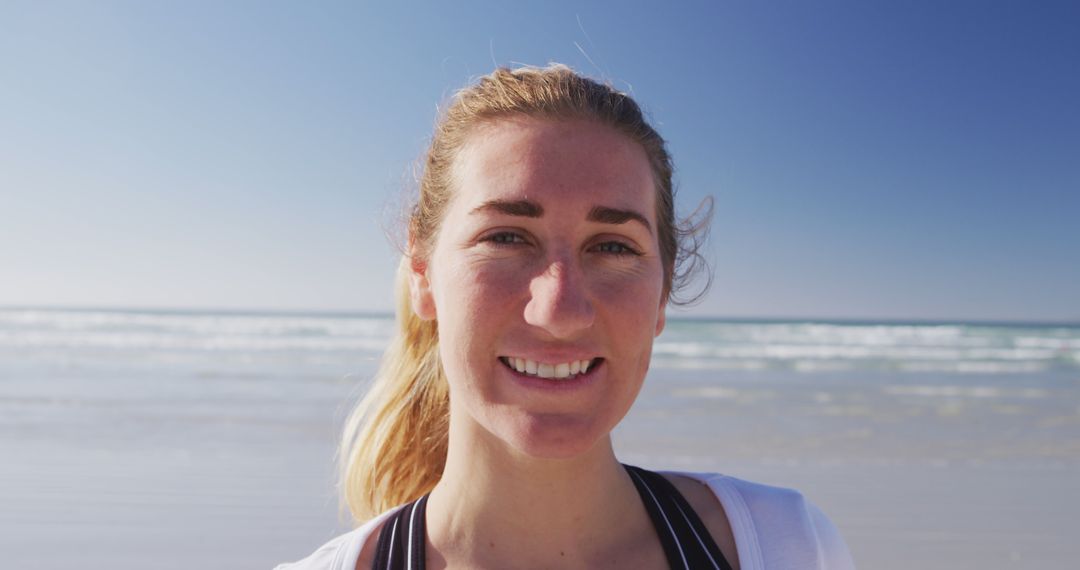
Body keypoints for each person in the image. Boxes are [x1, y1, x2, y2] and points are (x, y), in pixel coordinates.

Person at [278, 64, 855, 570]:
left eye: (612, 246)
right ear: (423, 274)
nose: (559, 311)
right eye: (506, 237)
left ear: (661, 295)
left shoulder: (782, 545)